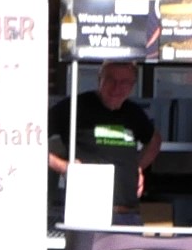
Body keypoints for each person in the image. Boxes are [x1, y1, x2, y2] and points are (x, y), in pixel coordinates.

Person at [49, 59, 159, 224]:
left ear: (132, 85)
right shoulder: (74, 107)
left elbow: (155, 141)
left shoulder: (134, 113)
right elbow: (33, 140)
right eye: (110, 80)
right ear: (99, 79)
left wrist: (138, 167)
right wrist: (64, 167)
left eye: (124, 82)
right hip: (87, 214)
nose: (116, 88)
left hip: (128, 214)